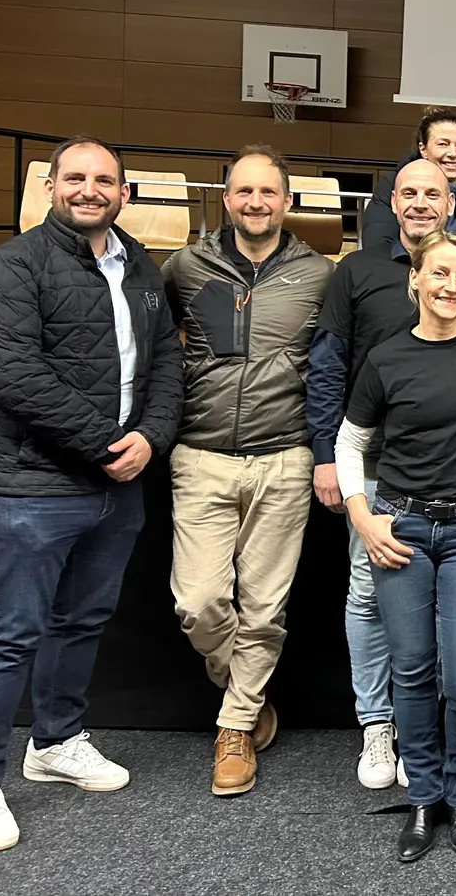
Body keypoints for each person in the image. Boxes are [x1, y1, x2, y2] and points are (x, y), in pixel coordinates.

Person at [0, 136, 183, 851]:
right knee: (11, 631)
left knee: (81, 621)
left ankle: (54, 742)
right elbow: (11, 373)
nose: (90, 189)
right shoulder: (8, 268)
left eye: (104, 180)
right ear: (50, 186)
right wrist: (109, 445)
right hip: (30, 485)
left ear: (125, 192)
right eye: (75, 178)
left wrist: (153, 435)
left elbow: (167, 358)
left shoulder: (141, 265)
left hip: (117, 485)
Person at [335, 231, 456, 863]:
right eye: (440, 274)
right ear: (415, 279)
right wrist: (364, 518)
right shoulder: (386, 359)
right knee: (413, 671)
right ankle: (423, 797)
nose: (452, 287)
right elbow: (350, 444)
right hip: (401, 529)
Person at [160, 146, 333, 797]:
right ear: (226, 198)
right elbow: (152, 347)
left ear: (287, 202)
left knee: (264, 610)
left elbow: (331, 368)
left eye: (268, 192)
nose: (256, 202)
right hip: (200, 455)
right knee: (199, 602)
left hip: (283, 457)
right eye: (244, 192)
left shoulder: (317, 274)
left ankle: (234, 729)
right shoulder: (185, 267)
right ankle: (251, 695)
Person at [307, 159, 451, 792]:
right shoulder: (357, 272)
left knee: (440, 600)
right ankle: (377, 723)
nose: (421, 203)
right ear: (393, 202)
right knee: (368, 594)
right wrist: (326, 456)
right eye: (410, 193)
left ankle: (428, 722)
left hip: (450, 465)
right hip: (372, 464)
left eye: (433, 194)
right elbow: (328, 365)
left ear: (451, 202)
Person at [361, 108, 456, 315]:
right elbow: (379, 249)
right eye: (443, 144)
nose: (453, 153)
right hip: (398, 298)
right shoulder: (392, 186)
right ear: (423, 149)